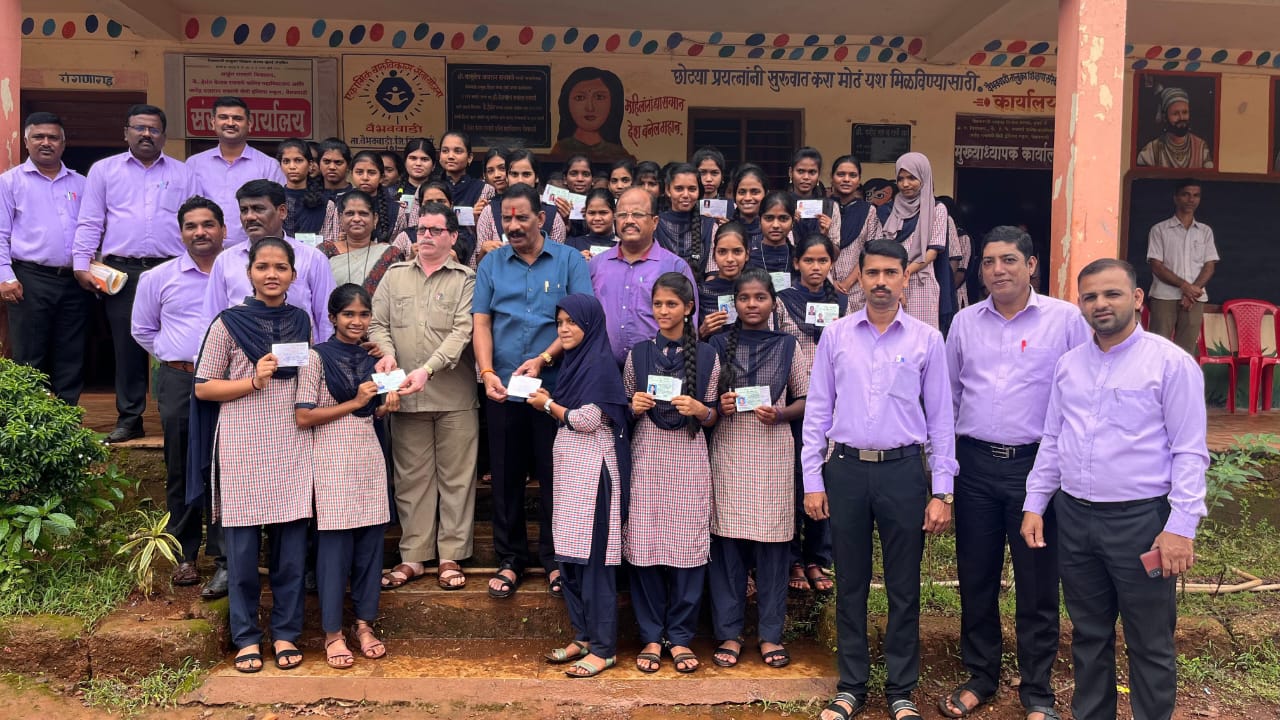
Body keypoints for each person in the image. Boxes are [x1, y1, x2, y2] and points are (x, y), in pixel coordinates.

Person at [1021, 258, 1208, 720]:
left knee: (1149, 641)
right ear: (1080, 304)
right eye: (1090, 297)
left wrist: (1180, 527)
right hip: (1075, 519)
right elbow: (1053, 438)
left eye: (1112, 294)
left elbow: (1190, 452)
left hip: (1141, 523)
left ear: (1138, 299)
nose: (1100, 304)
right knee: (1088, 635)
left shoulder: (1170, 365)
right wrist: (1035, 503)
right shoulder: (1068, 366)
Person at [940, 226, 1090, 720]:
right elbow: (950, 398)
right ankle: (980, 675)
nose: (997, 270)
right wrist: (947, 467)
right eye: (988, 262)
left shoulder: (1065, 321)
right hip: (976, 467)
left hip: (1038, 468)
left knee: (1038, 580)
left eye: (1008, 260)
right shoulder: (964, 323)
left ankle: (1037, 689)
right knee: (976, 575)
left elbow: (1082, 392)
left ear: (1031, 265)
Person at [803, 240, 956, 720]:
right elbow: (817, 410)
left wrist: (942, 490)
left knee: (903, 586)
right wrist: (812, 478)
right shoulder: (837, 335)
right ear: (860, 278)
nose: (882, 282)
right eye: (872, 273)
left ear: (906, 278)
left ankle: (901, 689)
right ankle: (851, 686)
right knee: (850, 582)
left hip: (903, 472)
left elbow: (942, 420)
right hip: (846, 470)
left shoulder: (927, 340)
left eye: (891, 272)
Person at [192, 237, 314, 674]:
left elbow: (305, 377)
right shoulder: (228, 323)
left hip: (291, 442)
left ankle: (285, 632)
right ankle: (246, 636)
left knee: (291, 553)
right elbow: (203, 387)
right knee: (243, 556)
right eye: (263, 267)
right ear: (249, 274)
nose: (271, 274)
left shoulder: (300, 320)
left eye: (280, 267)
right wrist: (253, 382)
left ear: (293, 275)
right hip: (243, 442)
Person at [473, 183, 593, 600]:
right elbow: (482, 322)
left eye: (522, 217)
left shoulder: (569, 260)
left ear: (541, 218)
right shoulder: (492, 264)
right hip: (503, 388)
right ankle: (511, 559)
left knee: (554, 475)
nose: (513, 226)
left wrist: (544, 358)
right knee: (506, 476)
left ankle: (556, 558)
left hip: (555, 388)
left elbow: (580, 320)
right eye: (507, 218)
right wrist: (487, 371)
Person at [72, 104, 202, 443]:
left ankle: (181, 416)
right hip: (123, 273)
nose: (146, 134)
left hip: (173, 269)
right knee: (127, 346)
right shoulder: (104, 170)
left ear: (164, 136)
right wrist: (81, 263)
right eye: (139, 128)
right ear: (125, 132)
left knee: (179, 343)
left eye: (154, 129)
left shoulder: (184, 173)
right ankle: (130, 419)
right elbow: (90, 220)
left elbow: (198, 220)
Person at [369, 202, 478, 591]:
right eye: (421, 230)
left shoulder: (467, 280)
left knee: (457, 479)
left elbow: (463, 332)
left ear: (453, 236)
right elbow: (377, 324)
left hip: (454, 396)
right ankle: (413, 556)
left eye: (435, 230)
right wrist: (387, 354)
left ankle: (451, 555)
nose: (427, 236)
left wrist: (427, 369)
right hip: (406, 397)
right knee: (411, 479)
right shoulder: (395, 276)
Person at [708, 268, 807, 672]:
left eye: (760, 297)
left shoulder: (788, 345)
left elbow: (807, 399)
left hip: (773, 453)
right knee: (727, 546)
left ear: (773, 302)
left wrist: (781, 413)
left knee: (773, 547)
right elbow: (704, 401)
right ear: (734, 302)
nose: (752, 304)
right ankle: (729, 633)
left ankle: (770, 635)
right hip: (729, 452)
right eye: (744, 298)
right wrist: (720, 405)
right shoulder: (717, 344)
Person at [529, 294, 631, 677]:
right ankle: (584, 636)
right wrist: (550, 402)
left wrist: (546, 405)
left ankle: (604, 648)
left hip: (595, 474)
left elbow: (587, 419)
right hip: (572, 474)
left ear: (590, 324)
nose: (564, 329)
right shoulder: (574, 363)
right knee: (570, 559)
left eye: (572, 322)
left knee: (595, 563)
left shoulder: (601, 365)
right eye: (559, 323)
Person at [623, 273, 720, 674]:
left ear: (689, 308)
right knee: (644, 544)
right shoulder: (638, 354)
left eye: (672, 304)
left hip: (688, 460)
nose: (663, 311)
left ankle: (680, 637)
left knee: (688, 548)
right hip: (647, 458)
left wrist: (701, 410)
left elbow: (714, 414)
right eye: (658, 304)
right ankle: (650, 635)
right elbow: (624, 407)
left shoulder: (708, 355)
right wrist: (633, 407)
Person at [295, 284, 395, 669]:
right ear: (333, 317)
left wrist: (385, 405)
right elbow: (304, 416)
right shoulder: (316, 357)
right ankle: (333, 633)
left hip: (368, 455)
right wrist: (355, 401)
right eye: (349, 314)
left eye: (363, 314)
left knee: (370, 546)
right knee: (334, 551)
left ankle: (364, 624)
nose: (357, 321)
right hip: (330, 458)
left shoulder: (372, 356)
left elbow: (372, 411)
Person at [130, 195, 227, 589]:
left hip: (229, 381)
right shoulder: (158, 278)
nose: (200, 232)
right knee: (180, 466)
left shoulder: (238, 273)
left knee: (225, 464)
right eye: (191, 226)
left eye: (208, 224)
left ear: (223, 229)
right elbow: (142, 329)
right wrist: (176, 356)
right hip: (179, 379)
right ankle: (184, 555)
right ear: (181, 232)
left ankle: (224, 556)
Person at [0, 112, 90, 405]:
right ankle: (30, 419)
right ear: (26, 142)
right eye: (38, 137)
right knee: (29, 353)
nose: (46, 142)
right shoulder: (10, 182)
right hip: (29, 278)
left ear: (63, 143)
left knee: (71, 352)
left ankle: (67, 417)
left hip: (75, 280)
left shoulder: (81, 183)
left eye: (53, 137)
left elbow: (93, 229)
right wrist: (5, 276)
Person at [774, 234, 846, 595]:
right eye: (809, 260)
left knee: (823, 478)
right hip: (794, 401)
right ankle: (792, 558)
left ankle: (818, 556)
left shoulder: (843, 302)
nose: (816, 267)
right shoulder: (782, 301)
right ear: (796, 263)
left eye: (822, 261)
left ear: (831, 263)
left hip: (832, 403)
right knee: (791, 479)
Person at [203, 180, 336, 341]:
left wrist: (324, 355)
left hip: (298, 352)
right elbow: (211, 318)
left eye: (258, 209)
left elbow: (326, 319)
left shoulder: (312, 258)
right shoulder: (225, 261)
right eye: (244, 210)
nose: (250, 217)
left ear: (282, 211)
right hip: (241, 354)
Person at [589, 187, 696, 365]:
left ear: (654, 222)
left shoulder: (675, 267)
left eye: (638, 214)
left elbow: (690, 326)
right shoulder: (596, 265)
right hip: (604, 367)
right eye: (622, 215)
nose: (629, 221)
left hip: (658, 369)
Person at [186, 96, 287, 247]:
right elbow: (187, 210)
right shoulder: (194, 164)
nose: (230, 123)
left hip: (255, 250)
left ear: (249, 124)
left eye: (237, 118)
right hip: (206, 251)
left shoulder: (269, 166)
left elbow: (278, 212)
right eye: (223, 117)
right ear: (213, 122)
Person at [1146, 179, 1218, 356]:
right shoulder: (1159, 230)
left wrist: (1192, 291)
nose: (1191, 199)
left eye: (1196, 195)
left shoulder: (1205, 231)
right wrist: (1185, 287)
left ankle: (1182, 377)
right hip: (1164, 297)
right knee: (1159, 347)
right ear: (1176, 198)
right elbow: (1157, 266)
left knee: (1186, 351)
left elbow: (1209, 265)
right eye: (1186, 194)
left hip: (1195, 299)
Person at [879, 153, 949, 329]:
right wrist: (896, 279)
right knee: (890, 334)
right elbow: (881, 250)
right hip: (889, 280)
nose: (905, 184)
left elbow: (932, 253)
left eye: (912, 178)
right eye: (900, 179)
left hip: (921, 283)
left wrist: (904, 274)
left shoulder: (937, 209)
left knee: (920, 336)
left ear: (924, 177)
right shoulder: (888, 210)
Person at [474, 148, 566, 264]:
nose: (520, 180)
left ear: (536, 177)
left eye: (526, 174)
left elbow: (558, 263)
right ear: (506, 177)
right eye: (514, 174)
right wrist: (484, 250)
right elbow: (479, 267)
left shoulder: (552, 215)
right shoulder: (489, 212)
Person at [323, 190, 411, 295]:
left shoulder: (390, 255)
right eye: (350, 213)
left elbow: (398, 294)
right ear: (340, 219)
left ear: (375, 219)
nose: (356, 219)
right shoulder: (325, 252)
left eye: (363, 214)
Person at [319, 150, 405, 247]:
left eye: (371, 173)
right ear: (351, 174)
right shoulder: (340, 203)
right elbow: (333, 242)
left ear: (381, 177)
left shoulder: (397, 210)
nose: (365, 177)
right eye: (359, 172)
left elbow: (400, 247)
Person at [549, 67, 634, 163]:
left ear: (613, 102)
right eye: (580, 97)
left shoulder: (618, 153)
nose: (590, 108)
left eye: (599, 97)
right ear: (566, 103)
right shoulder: (561, 150)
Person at [829, 155, 883, 301]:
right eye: (841, 174)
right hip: (823, 285)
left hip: (857, 289)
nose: (846, 179)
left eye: (852, 175)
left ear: (859, 180)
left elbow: (872, 251)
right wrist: (829, 281)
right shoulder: (823, 208)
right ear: (832, 178)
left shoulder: (869, 211)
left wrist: (847, 283)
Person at [655, 163, 715, 278]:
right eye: (679, 189)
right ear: (668, 190)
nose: (686, 195)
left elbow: (713, 273)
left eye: (692, 189)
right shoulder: (655, 224)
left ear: (699, 191)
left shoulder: (710, 226)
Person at [1136, 86, 1215, 169]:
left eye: (1185, 112)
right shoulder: (1150, 151)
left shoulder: (1201, 147)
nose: (1181, 118)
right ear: (1165, 117)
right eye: (1175, 113)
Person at [697, 222, 749, 340]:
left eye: (737, 251)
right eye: (722, 252)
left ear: (747, 254)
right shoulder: (701, 292)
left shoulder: (756, 290)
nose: (729, 259)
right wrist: (702, 331)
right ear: (714, 256)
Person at [789, 147, 841, 248]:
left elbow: (836, 253)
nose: (806, 177)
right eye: (800, 171)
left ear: (818, 175)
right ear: (791, 172)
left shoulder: (830, 207)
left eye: (812, 172)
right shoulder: (781, 205)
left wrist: (824, 235)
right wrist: (787, 226)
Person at [276, 139, 327, 237]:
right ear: (280, 165)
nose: (292, 166)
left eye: (298, 160)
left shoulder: (325, 202)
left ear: (310, 165)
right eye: (286, 161)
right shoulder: (275, 199)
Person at [749, 191, 797, 287]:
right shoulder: (748, 256)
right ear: (760, 220)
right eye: (769, 218)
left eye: (783, 218)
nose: (775, 225)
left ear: (793, 222)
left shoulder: (798, 258)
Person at [439, 131, 494, 210]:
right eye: (445, 151)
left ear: (469, 158)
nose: (450, 156)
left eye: (458, 151)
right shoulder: (428, 187)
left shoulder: (483, 189)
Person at [566, 188, 617, 262]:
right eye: (591, 213)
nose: (597, 218)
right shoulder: (572, 244)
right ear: (585, 214)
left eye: (603, 213)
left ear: (614, 213)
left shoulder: (624, 246)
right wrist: (576, 261)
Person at [316, 139, 353, 204]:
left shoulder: (358, 196)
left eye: (338, 162)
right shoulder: (309, 196)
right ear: (319, 164)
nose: (332, 167)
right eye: (326, 162)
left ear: (348, 165)